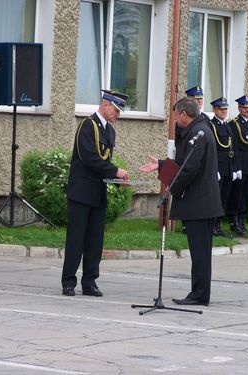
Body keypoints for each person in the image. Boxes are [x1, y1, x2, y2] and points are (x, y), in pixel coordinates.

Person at [140, 97, 223, 306]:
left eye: (176, 115)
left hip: (201, 204)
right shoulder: (196, 130)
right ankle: (199, 292)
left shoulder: (199, 133)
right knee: (199, 253)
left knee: (200, 254)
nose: (175, 120)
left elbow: (189, 169)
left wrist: (170, 189)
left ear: (184, 114)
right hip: (199, 203)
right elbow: (183, 163)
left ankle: (199, 295)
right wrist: (160, 165)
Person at [61, 89, 129, 297]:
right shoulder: (87, 126)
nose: (118, 114)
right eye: (116, 110)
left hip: (97, 192)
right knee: (76, 239)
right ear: (105, 105)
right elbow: (89, 157)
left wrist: (117, 180)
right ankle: (69, 282)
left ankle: (89, 282)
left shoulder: (110, 131)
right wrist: (115, 171)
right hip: (81, 191)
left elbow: (104, 162)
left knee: (95, 241)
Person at [227, 95, 248, 235]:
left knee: (246, 195)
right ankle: (234, 221)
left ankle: (242, 219)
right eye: (245, 107)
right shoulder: (235, 124)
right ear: (239, 108)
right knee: (237, 194)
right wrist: (236, 167)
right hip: (241, 165)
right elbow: (234, 148)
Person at [209, 97, 239, 237]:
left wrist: (233, 168)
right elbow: (212, 150)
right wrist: (214, 170)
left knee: (224, 198)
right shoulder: (211, 126)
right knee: (216, 198)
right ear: (214, 109)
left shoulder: (227, 126)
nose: (223, 111)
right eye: (221, 109)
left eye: (225, 109)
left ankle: (219, 224)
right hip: (218, 167)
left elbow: (231, 148)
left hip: (228, 167)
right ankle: (213, 225)